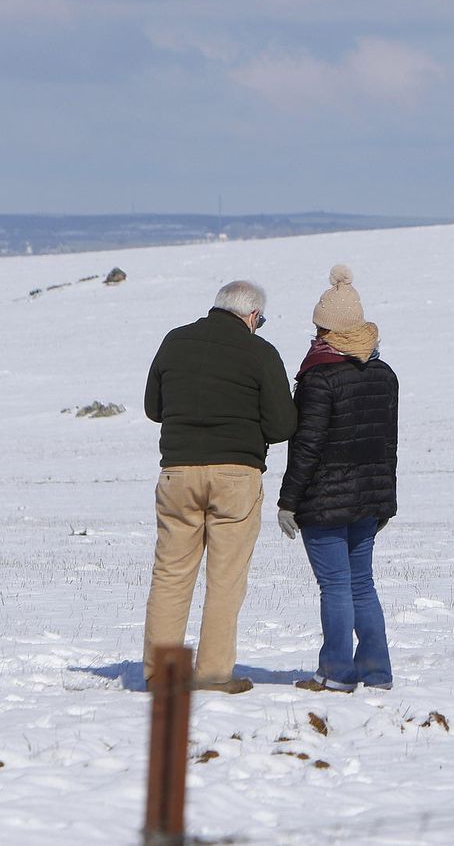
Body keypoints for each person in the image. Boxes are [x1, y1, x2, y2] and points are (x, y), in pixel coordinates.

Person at [143, 280, 296, 694]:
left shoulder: (174, 342)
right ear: (251, 315)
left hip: (177, 472)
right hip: (236, 475)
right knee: (226, 579)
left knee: (172, 574)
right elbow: (283, 426)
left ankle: (162, 675)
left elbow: (153, 409)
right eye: (259, 320)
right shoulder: (260, 353)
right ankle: (212, 675)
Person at [276, 266, 399, 692]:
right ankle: (377, 672)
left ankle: (336, 673)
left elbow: (306, 446)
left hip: (325, 501)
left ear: (327, 329)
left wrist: (288, 500)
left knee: (336, 587)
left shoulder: (319, 377)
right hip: (369, 499)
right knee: (361, 584)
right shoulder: (384, 375)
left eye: (318, 327)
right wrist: (388, 502)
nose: (315, 334)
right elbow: (389, 445)